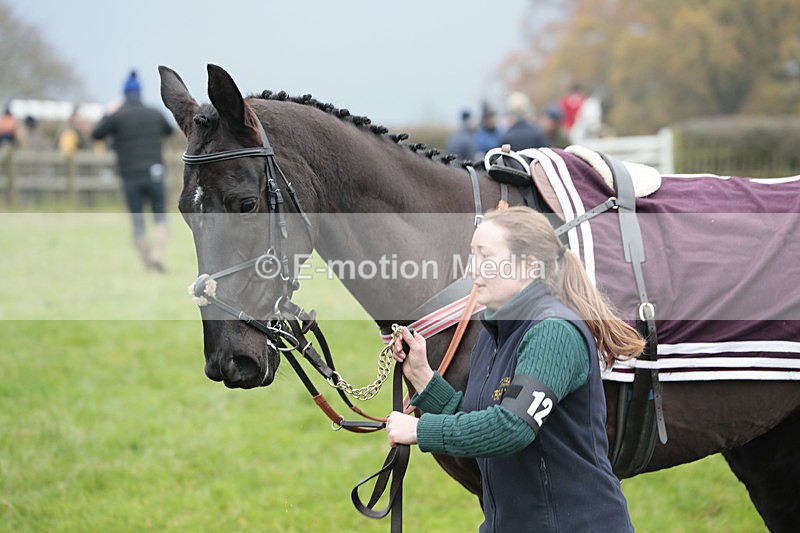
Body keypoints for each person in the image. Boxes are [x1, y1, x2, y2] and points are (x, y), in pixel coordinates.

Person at [385, 206, 643, 532]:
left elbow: (512, 427)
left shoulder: (553, 331)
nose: (471, 269)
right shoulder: (492, 336)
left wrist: (420, 431)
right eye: (472, 255)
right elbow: (478, 416)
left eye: (485, 257)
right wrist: (423, 378)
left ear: (528, 267)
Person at [92, 70, 174, 272]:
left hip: (131, 176)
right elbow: (170, 131)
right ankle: (156, 255)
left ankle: (148, 262)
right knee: (160, 218)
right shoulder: (154, 113)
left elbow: (96, 133)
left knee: (138, 223)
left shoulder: (118, 116)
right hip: (154, 174)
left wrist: (109, 112)